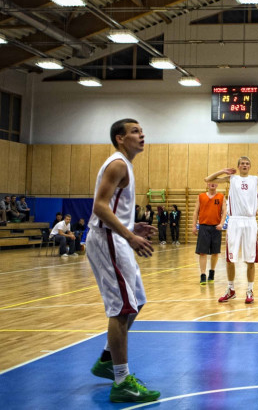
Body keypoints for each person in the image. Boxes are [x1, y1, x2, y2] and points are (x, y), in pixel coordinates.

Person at [86, 118, 160, 402]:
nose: (142, 135)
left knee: (136, 301)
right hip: (107, 240)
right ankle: (121, 381)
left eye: (141, 130)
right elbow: (99, 206)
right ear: (119, 138)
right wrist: (129, 237)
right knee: (120, 309)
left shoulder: (126, 164)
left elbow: (114, 207)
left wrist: (132, 227)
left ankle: (107, 357)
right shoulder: (117, 163)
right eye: (134, 132)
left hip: (117, 238)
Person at [206, 157, 258, 304]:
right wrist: (222, 171)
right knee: (230, 258)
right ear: (238, 166)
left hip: (250, 221)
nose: (244, 165)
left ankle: (250, 290)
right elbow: (208, 179)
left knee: (250, 259)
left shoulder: (255, 180)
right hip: (235, 221)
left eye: (247, 164)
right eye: (242, 164)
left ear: (250, 166)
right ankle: (230, 289)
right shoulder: (231, 178)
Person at [192, 182, 226, 285]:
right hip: (203, 227)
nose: (213, 184)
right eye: (211, 182)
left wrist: (221, 223)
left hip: (216, 227)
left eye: (215, 182)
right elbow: (195, 212)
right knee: (203, 252)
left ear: (217, 185)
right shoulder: (201, 196)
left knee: (215, 252)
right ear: (207, 184)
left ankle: (212, 272)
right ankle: (203, 274)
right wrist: (194, 226)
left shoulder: (221, 196)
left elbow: (224, 211)